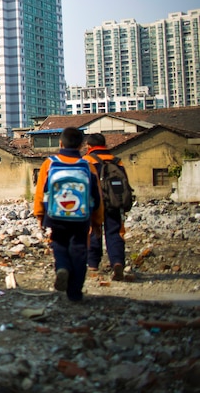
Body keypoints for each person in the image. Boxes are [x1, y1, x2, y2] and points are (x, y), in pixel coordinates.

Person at [33, 127, 104, 302]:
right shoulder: (87, 166)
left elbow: (40, 192)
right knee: (80, 250)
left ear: (60, 143)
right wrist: (97, 223)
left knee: (59, 244)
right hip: (81, 216)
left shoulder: (50, 163)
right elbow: (96, 196)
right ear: (81, 145)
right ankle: (75, 293)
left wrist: (40, 215)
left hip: (56, 215)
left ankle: (62, 268)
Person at [83, 133, 129, 281]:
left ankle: (92, 264)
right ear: (104, 145)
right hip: (113, 203)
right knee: (114, 232)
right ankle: (117, 262)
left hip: (94, 204)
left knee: (93, 231)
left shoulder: (87, 161)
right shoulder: (117, 162)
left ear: (89, 146)